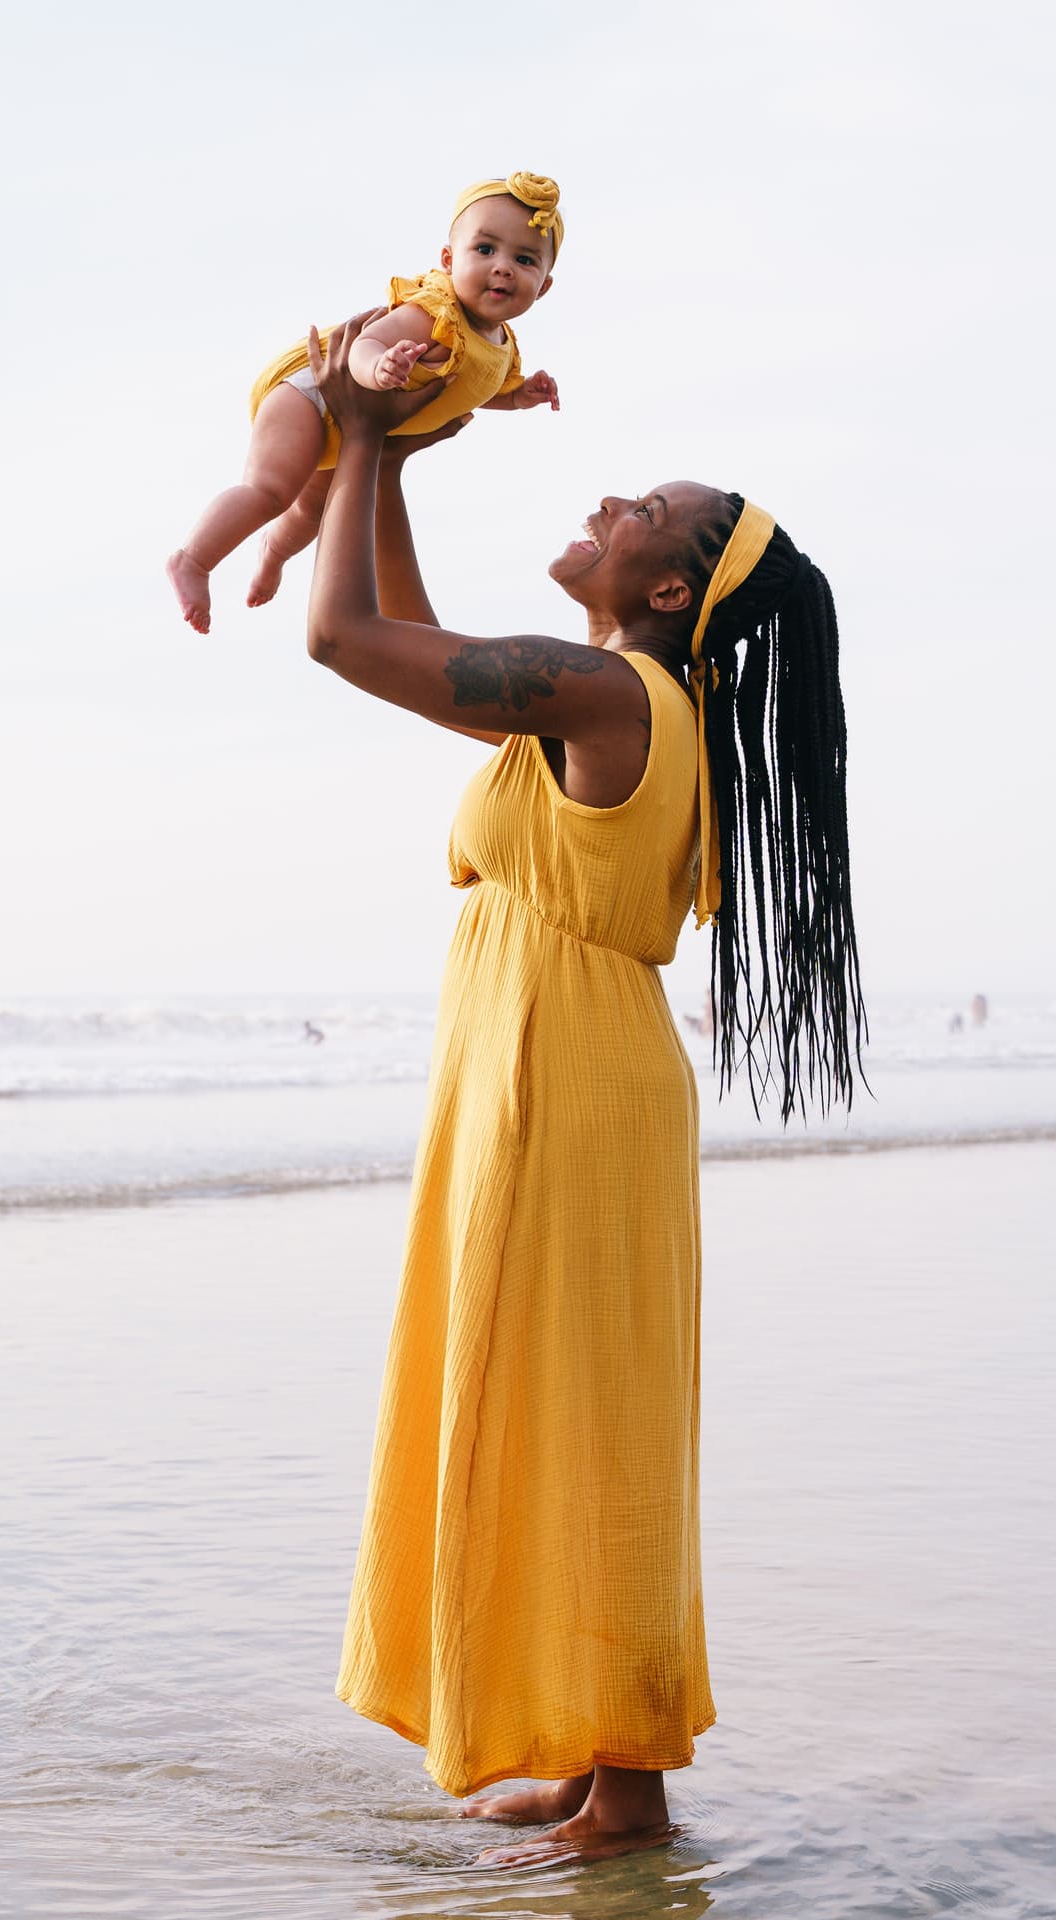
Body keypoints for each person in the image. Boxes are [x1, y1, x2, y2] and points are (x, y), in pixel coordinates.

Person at [302, 317, 865, 1865]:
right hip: (553, 1063)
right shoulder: (596, 698)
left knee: (578, 1422)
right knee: (571, 1411)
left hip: (566, 1079)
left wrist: (353, 429)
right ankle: (597, 1763)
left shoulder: (607, 699)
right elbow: (403, 622)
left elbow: (339, 640)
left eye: (644, 512)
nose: (611, 503)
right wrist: (396, 456)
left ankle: (628, 1797)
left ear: (669, 590)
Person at [166, 174, 563, 633]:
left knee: (313, 509)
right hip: (312, 394)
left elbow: (479, 387)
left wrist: (518, 396)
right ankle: (193, 560)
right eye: (486, 250)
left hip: (348, 427)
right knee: (270, 490)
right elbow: (363, 343)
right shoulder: (434, 313)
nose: (504, 267)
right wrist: (380, 368)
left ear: (545, 285)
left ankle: (272, 555)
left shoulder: (503, 347)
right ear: (449, 260)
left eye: (525, 259)